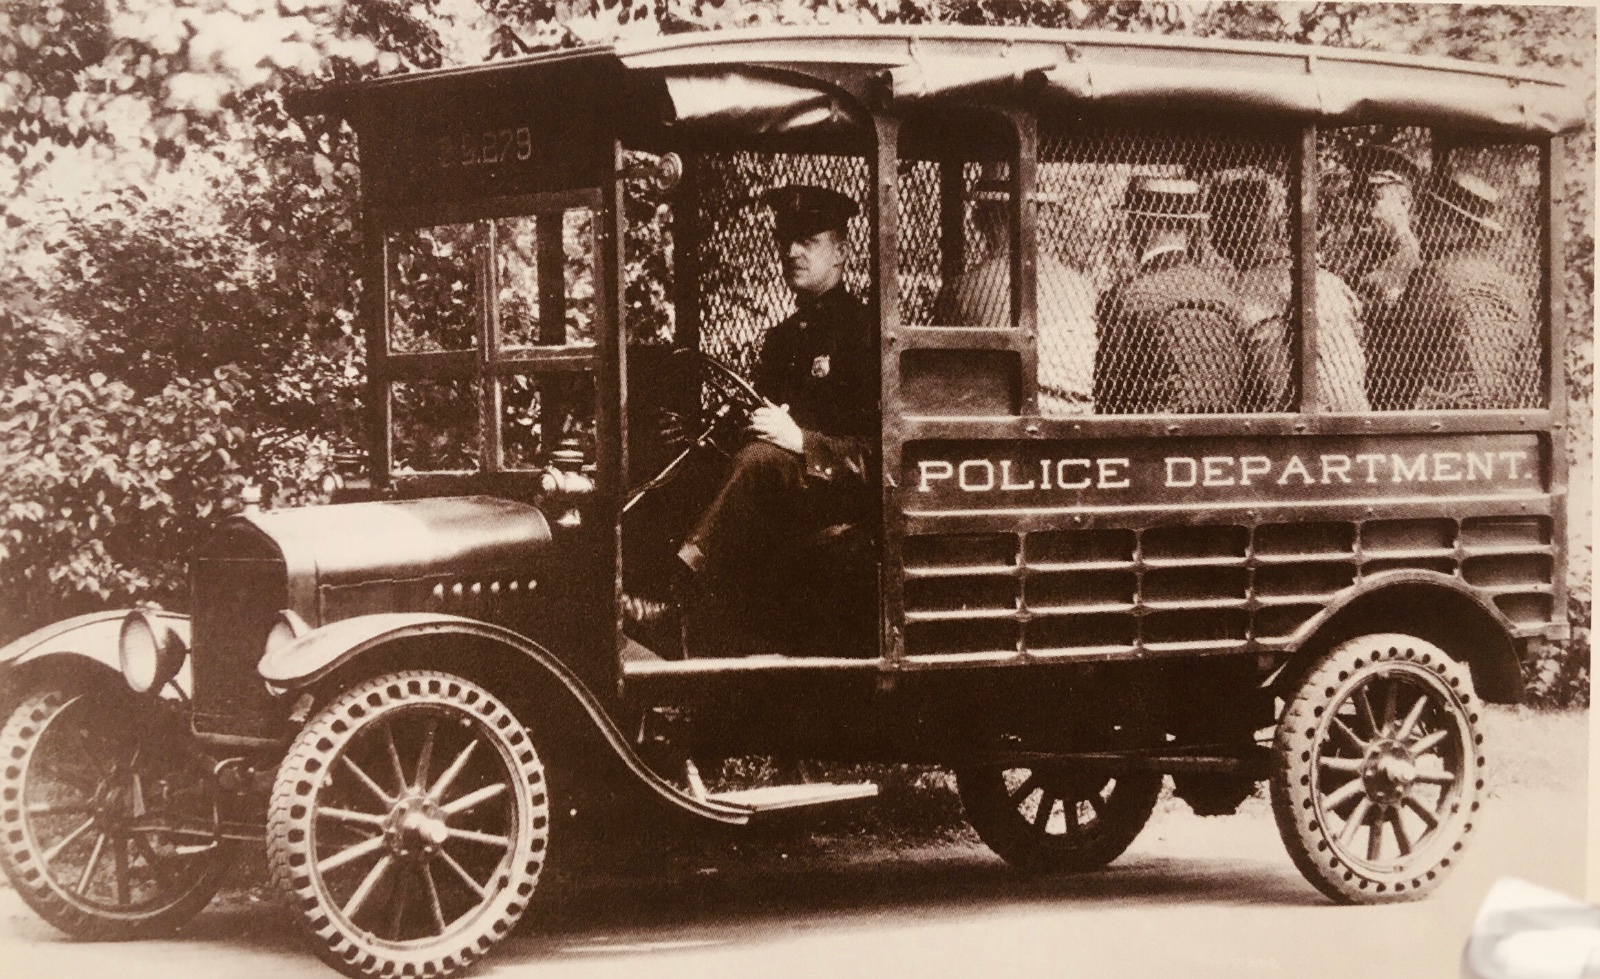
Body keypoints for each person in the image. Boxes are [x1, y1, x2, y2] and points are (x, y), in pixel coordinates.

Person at [674, 185, 878, 652]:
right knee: (692, 461)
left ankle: (682, 588)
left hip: (841, 498)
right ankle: (658, 604)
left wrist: (802, 441)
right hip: (788, 497)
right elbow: (758, 419)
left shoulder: (867, 334)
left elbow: (883, 453)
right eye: (786, 239)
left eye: (808, 240)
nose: (791, 252)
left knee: (759, 462)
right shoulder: (783, 339)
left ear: (841, 252)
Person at [1095, 176, 1284, 414]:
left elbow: (1108, 395)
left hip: (1154, 432)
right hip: (1224, 430)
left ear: (1134, 225)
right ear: (1192, 227)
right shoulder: (1227, 297)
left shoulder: (1124, 298)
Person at [1207, 168, 1370, 412]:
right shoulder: (1331, 282)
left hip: (1306, 427)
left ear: (1222, 230)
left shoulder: (1246, 292)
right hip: (1359, 421)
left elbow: (1277, 386)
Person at [936, 170, 1098, 413]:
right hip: (1075, 418)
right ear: (1036, 217)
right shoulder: (1081, 286)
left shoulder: (962, 289)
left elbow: (947, 375)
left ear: (981, 220)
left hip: (1004, 419)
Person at [1384, 172, 1537, 410]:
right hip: (1509, 410)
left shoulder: (1435, 275)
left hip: (1450, 413)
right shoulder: (1512, 285)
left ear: (1450, 223)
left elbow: (1397, 362)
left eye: (1428, 216)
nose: (1418, 225)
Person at [1337, 144, 1424, 409]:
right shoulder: (1359, 258)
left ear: (1405, 203)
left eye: (1374, 200)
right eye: (1359, 200)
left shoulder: (1411, 265)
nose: (1364, 211)